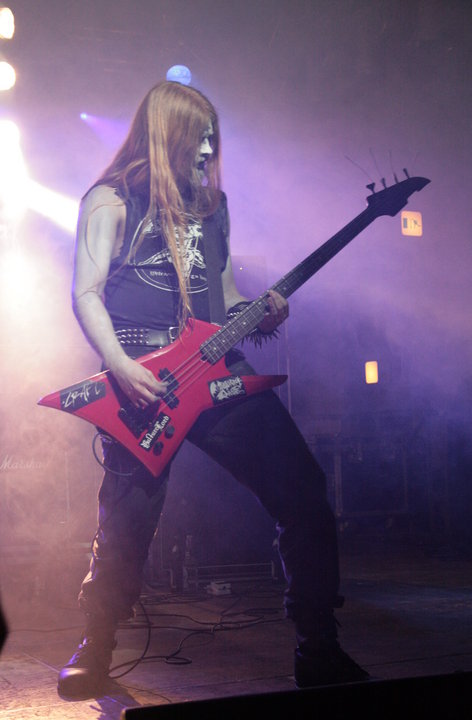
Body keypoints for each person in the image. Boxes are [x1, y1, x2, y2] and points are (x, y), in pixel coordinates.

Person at [57, 80, 369, 697]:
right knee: (126, 519)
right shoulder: (109, 200)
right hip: (143, 381)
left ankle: (319, 647)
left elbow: (223, 296)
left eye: (212, 138)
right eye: (199, 137)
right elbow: (85, 293)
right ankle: (96, 646)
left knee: (303, 489)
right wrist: (119, 365)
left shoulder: (212, 206)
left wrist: (261, 312)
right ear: (168, 133)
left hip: (217, 374)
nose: (208, 149)